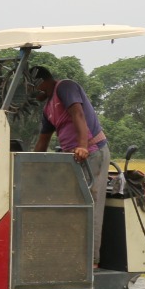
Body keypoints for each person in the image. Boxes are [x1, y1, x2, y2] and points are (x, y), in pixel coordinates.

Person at [30, 65, 111, 266]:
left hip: (91, 152)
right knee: (72, 207)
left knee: (89, 204)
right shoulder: (48, 108)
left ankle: (92, 262)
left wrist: (82, 146)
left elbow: (78, 114)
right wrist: (29, 167)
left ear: (40, 83)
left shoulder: (65, 87)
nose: (31, 94)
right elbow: (43, 141)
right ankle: (72, 256)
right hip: (73, 158)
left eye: (31, 87)